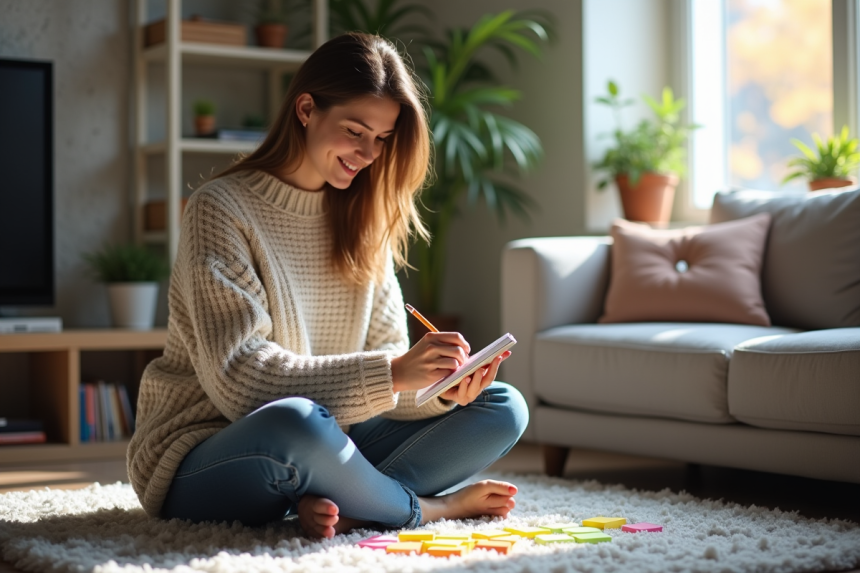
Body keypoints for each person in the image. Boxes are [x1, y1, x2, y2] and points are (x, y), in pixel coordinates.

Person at [127, 32, 529, 539]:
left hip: (331, 441)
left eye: (382, 139)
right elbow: (241, 380)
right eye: (356, 131)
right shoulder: (220, 208)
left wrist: (441, 390)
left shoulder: (365, 219)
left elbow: (389, 390)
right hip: (206, 451)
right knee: (297, 422)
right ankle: (420, 509)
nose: (368, 153)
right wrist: (396, 372)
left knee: (502, 406)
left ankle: (351, 499)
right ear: (305, 109)